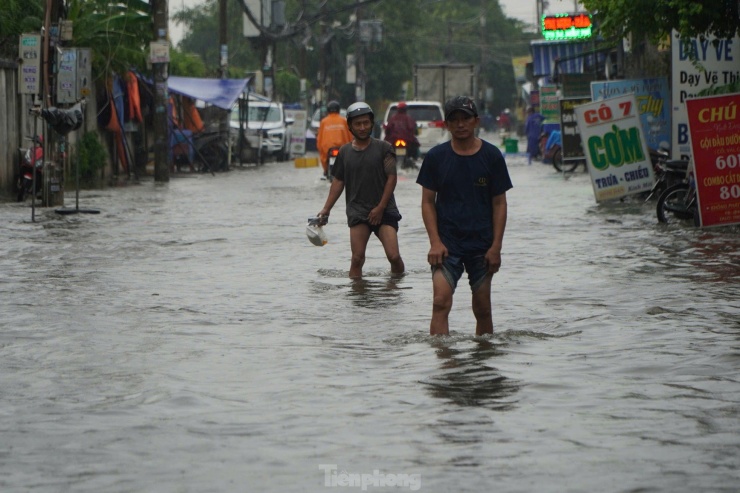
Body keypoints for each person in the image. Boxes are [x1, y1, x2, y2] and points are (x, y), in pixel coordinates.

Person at [416, 96, 512, 336]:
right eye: (454, 120)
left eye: (465, 119)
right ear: (446, 124)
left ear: (476, 121)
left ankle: (482, 363)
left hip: (482, 244)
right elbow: (427, 202)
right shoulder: (436, 157)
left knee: (483, 309)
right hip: (447, 245)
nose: (460, 124)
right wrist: (435, 242)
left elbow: (500, 203)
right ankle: (444, 366)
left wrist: (496, 247)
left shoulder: (492, 156)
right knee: (440, 301)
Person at [318, 102, 405, 278]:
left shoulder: (384, 148)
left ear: (372, 123)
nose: (362, 127)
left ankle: (396, 289)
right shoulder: (344, 152)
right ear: (350, 126)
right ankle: (357, 297)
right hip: (358, 210)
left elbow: (392, 178)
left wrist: (380, 208)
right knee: (357, 259)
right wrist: (326, 210)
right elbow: (338, 182)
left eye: (366, 123)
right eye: (358, 124)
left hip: (385, 210)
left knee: (394, 256)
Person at [317, 100, 352, 180]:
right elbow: (350, 136)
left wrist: (320, 148)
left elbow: (320, 138)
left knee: (323, 155)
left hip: (327, 148)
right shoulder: (344, 121)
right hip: (342, 147)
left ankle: (326, 171)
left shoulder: (324, 121)